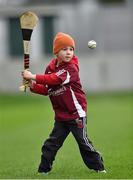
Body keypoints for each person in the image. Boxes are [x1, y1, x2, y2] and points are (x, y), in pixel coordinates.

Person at [22, 32, 106, 174]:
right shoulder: (50, 68)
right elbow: (47, 89)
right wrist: (31, 85)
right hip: (61, 115)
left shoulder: (71, 68)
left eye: (71, 49)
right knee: (50, 144)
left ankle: (99, 168)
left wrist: (33, 76)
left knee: (83, 143)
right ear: (56, 51)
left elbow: (54, 79)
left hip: (76, 114)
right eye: (64, 49)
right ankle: (43, 171)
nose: (69, 53)